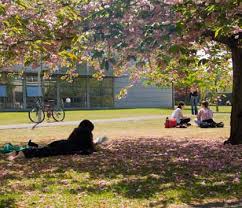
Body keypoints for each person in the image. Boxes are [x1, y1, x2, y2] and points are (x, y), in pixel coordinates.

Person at [8, 120, 98, 160]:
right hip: (66, 148)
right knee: (45, 152)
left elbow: (70, 140)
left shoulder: (76, 130)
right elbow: (90, 148)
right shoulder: (87, 133)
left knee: (43, 149)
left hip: (62, 143)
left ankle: (18, 151)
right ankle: (22, 153)